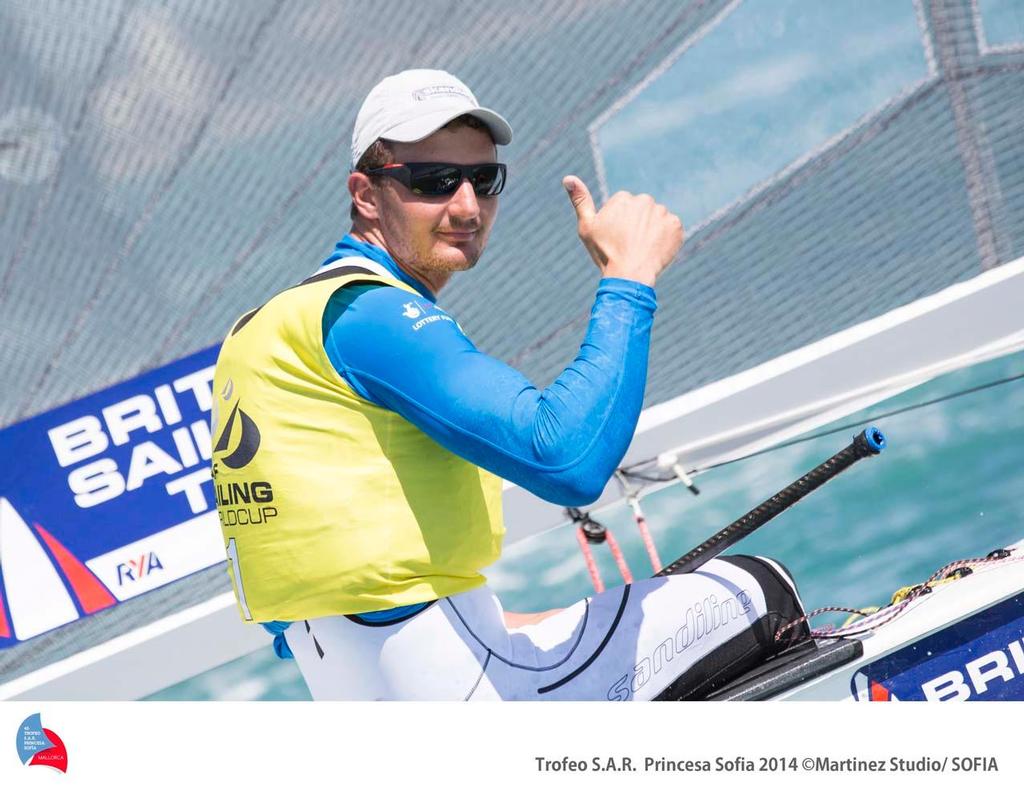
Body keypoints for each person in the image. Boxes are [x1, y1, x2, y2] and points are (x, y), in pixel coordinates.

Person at [211, 69, 807, 700]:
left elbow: (348, 619)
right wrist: (630, 276)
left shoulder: (260, 336)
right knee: (753, 591)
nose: (467, 206)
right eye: (435, 182)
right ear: (365, 194)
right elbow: (567, 459)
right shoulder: (370, 316)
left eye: (484, 180)